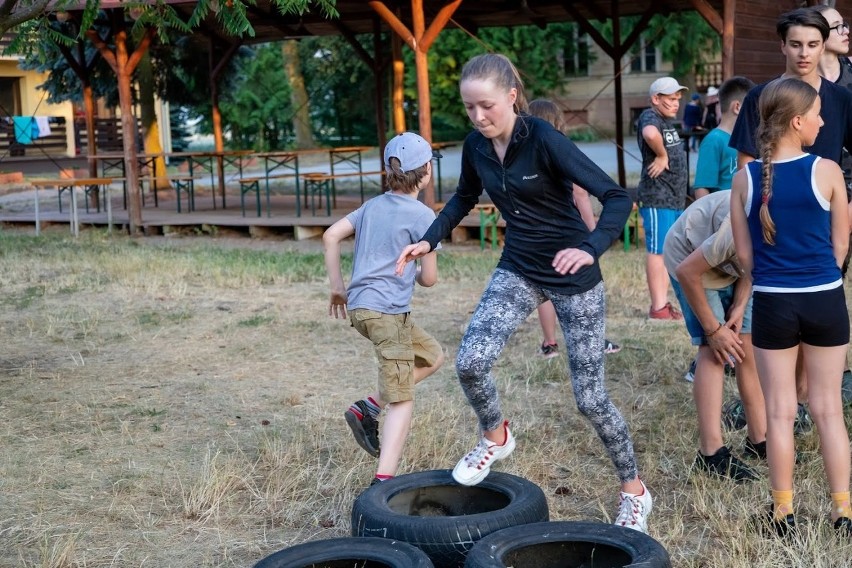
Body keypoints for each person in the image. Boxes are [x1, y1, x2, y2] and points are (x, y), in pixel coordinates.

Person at [395, 53, 653, 533]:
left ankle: (635, 491)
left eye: (486, 106)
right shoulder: (476, 146)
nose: (478, 117)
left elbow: (617, 196)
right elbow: (463, 197)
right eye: (469, 108)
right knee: (471, 361)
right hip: (519, 268)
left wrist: (591, 248)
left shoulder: (545, 140)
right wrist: (429, 238)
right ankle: (496, 435)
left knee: (590, 400)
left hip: (575, 278)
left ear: (512, 97)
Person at [730, 77, 850, 536]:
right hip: (825, 299)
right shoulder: (828, 171)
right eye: (818, 113)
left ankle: (782, 514)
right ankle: (843, 513)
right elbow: (841, 243)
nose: (823, 120)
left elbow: (745, 259)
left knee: (779, 412)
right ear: (798, 122)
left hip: (773, 305)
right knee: (828, 410)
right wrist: (821, 275)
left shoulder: (744, 179)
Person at [324, 132, 445, 487]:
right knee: (403, 399)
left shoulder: (372, 206)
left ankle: (369, 406)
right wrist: (418, 269)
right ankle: (383, 480)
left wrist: (337, 288)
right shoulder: (425, 216)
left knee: (432, 355)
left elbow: (331, 235)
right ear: (426, 171)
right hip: (387, 313)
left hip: (363, 308)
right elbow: (430, 279)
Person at [663, 191, 767, 483]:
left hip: (728, 263)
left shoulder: (780, 230)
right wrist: (714, 330)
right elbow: (687, 272)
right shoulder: (742, 228)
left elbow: (753, 266)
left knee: (746, 343)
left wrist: (740, 304)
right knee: (714, 351)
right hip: (688, 257)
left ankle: (758, 438)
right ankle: (711, 454)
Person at [527, 98, 621, 359]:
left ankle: (550, 343)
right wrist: (594, 232)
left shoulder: (523, 154)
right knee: (582, 289)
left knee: (542, 288)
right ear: (557, 122)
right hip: (566, 231)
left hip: (534, 233)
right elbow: (580, 194)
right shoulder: (561, 149)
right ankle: (593, 340)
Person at [637, 76, 689, 321]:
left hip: (673, 199)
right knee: (658, 251)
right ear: (655, 99)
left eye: (678, 99)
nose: (676, 103)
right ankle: (658, 307)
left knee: (668, 251)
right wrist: (661, 156)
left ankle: (664, 303)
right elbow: (648, 134)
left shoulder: (667, 122)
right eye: (670, 99)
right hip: (658, 198)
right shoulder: (650, 116)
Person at [692, 77, 755, 199]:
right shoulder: (714, 140)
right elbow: (702, 189)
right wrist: (708, 218)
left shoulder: (748, 140)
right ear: (737, 107)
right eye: (753, 107)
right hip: (723, 215)